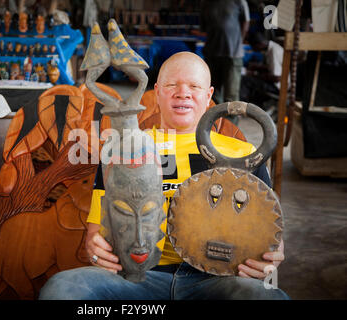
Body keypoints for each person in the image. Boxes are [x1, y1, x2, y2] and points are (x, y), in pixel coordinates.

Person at [38, 52, 289, 300]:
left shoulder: (243, 153)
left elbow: (269, 228)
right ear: (157, 92)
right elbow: (96, 233)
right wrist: (95, 248)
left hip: (220, 279)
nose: (183, 92)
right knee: (62, 288)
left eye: (194, 86)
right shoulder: (123, 151)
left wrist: (272, 256)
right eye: (172, 85)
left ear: (209, 95)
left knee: (267, 296)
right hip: (138, 277)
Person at [200, 0, 250, 109]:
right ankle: (216, 124)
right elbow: (204, 27)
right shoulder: (206, 3)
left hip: (233, 55)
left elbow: (245, 23)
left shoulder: (240, 2)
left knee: (231, 96)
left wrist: (236, 43)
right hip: (212, 54)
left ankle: (231, 125)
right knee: (213, 93)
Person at [240, 32, 287, 116]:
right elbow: (271, 69)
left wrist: (255, 74)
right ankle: (255, 106)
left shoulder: (273, 52)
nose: (254, 50)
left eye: (254, 47)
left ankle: (242, 109)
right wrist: (257, 68)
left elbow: (277, 78)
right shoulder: (272, 47)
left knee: (245, 80)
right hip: (277, 84)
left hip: (278, 87)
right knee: (250, 79)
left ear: (259, 44)